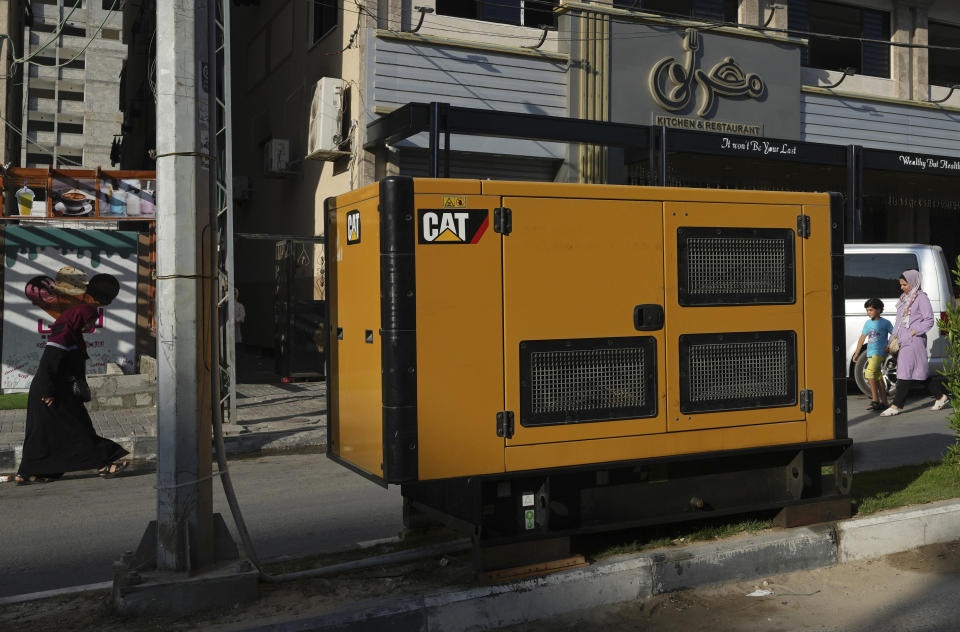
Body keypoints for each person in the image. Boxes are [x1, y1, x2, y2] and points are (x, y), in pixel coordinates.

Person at [14, 304, 129, 484]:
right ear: (79, 319)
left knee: (42, 433)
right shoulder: (63, 337)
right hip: (50, 393)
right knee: (78, 428)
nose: (91, 325)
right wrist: (47, 393)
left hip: (61, 392)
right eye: (89, 321)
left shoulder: (73, 336)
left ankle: (27, 473)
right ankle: (103, 464)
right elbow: (48, 366)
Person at [881, 270, 935, 417]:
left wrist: (913, 331)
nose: (902, 287)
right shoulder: (904, 298)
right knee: (918, 371)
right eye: (901, 285)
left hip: (914, 340)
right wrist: (891, 341)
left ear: (913, 282)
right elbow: (898, 323)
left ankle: (896, 405)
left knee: (904, 372)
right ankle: (941, 396)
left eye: (904, 284)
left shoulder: (921, 298)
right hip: (903, 341)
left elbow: (929, 320)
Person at [851, 298, 893, 411]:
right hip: (870, 353)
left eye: (871, 310)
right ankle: (884, 402)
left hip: (879, 353)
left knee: (869, 374)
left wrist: (889, 345)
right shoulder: (868, 323)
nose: (868, 312)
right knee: (878, 377)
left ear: (879, 310)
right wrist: (857, 352)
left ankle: (875, 400)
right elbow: (862, 338)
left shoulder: (885, 323)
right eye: (867, 310)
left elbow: (894, 335)